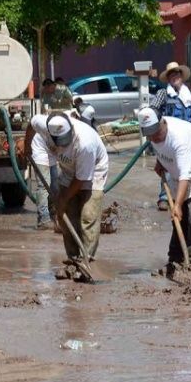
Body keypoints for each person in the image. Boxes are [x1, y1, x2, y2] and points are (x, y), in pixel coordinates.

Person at [137, 106, 191, 271]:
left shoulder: (180, 138)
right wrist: (161, 162)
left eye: (156, 132)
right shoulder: (154, 135)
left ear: (162, 122)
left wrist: (178, 204)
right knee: (178, 220)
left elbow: (185, 177)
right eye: (149, 134)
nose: (154, 137)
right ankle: (175, 259)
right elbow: (163, 150)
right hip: (177, 170)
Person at [44, 112, 108, 278]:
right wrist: (27, 144)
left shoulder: (85, 142)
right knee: (67, 217)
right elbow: (32, 125)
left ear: (71, 129)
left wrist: (63, 200)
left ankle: (86, 262)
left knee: (88, 215)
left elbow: (81, 180)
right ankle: (72, 261)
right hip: (68, 171)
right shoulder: (45, 126)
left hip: (94, 171)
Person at [151, 61, 191, 211]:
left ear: (181, 76)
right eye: (171, 74)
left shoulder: (188, 94)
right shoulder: (163, 94)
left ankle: (186, 196)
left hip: (187, 138)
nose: (175, 76)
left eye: (177, 73)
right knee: (166, 165)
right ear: (168, 78)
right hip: (169, 137)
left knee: (187, 167)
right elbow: (152, 110)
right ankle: (164, 197)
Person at [18, 114, 59, 230]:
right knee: (44, 185)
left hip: (52, 151)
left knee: (55, 186)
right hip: (39, 149)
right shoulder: (43, 123)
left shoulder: (74, 132)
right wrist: (27, 146)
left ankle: (54, 216)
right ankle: (43, 219)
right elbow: (31, 123)